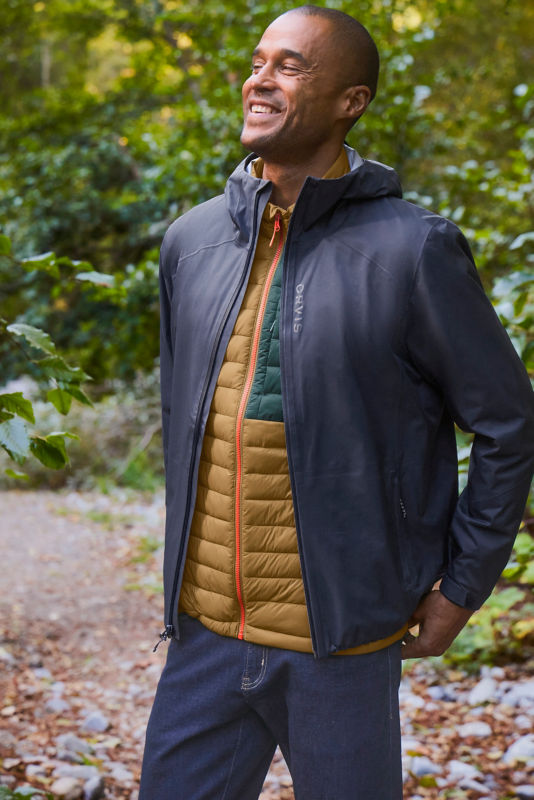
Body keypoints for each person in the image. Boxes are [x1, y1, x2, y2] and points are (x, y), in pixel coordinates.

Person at [139, 6, 534, 799]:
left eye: (289, 67)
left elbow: (507, 425)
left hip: (342, 649)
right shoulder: (191, 241)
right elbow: (180, 416)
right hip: (205, 636)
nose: (259, 80)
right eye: (258, 63)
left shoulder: (414, 249)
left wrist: (462, 587)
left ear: (351, 100)